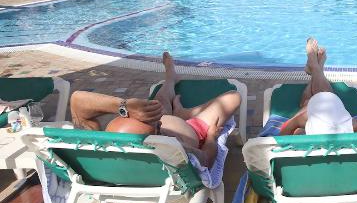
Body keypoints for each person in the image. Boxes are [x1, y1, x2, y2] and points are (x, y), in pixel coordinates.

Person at [69, 52, 241, 168]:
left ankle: (170, 78)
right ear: (159, 130)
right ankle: (183, 112)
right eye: (157, 125)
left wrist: (124, 107)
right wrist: (211, 137)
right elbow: (206, 159)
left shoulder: (100, 150)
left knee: (160, 101)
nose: (158, 121)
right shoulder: (173, 148)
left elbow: (77, 100)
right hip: (194, 128)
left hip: (159, 129)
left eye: (129, 116)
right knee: (233, 97)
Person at [279, 38, 357, 136]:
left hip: (323, 110)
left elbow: (284, 130)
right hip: (331, 107)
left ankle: (314, 65)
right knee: (319, 97)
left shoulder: (306, 117)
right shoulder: (351, 125)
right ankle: (316, 67)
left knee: (308, 103)